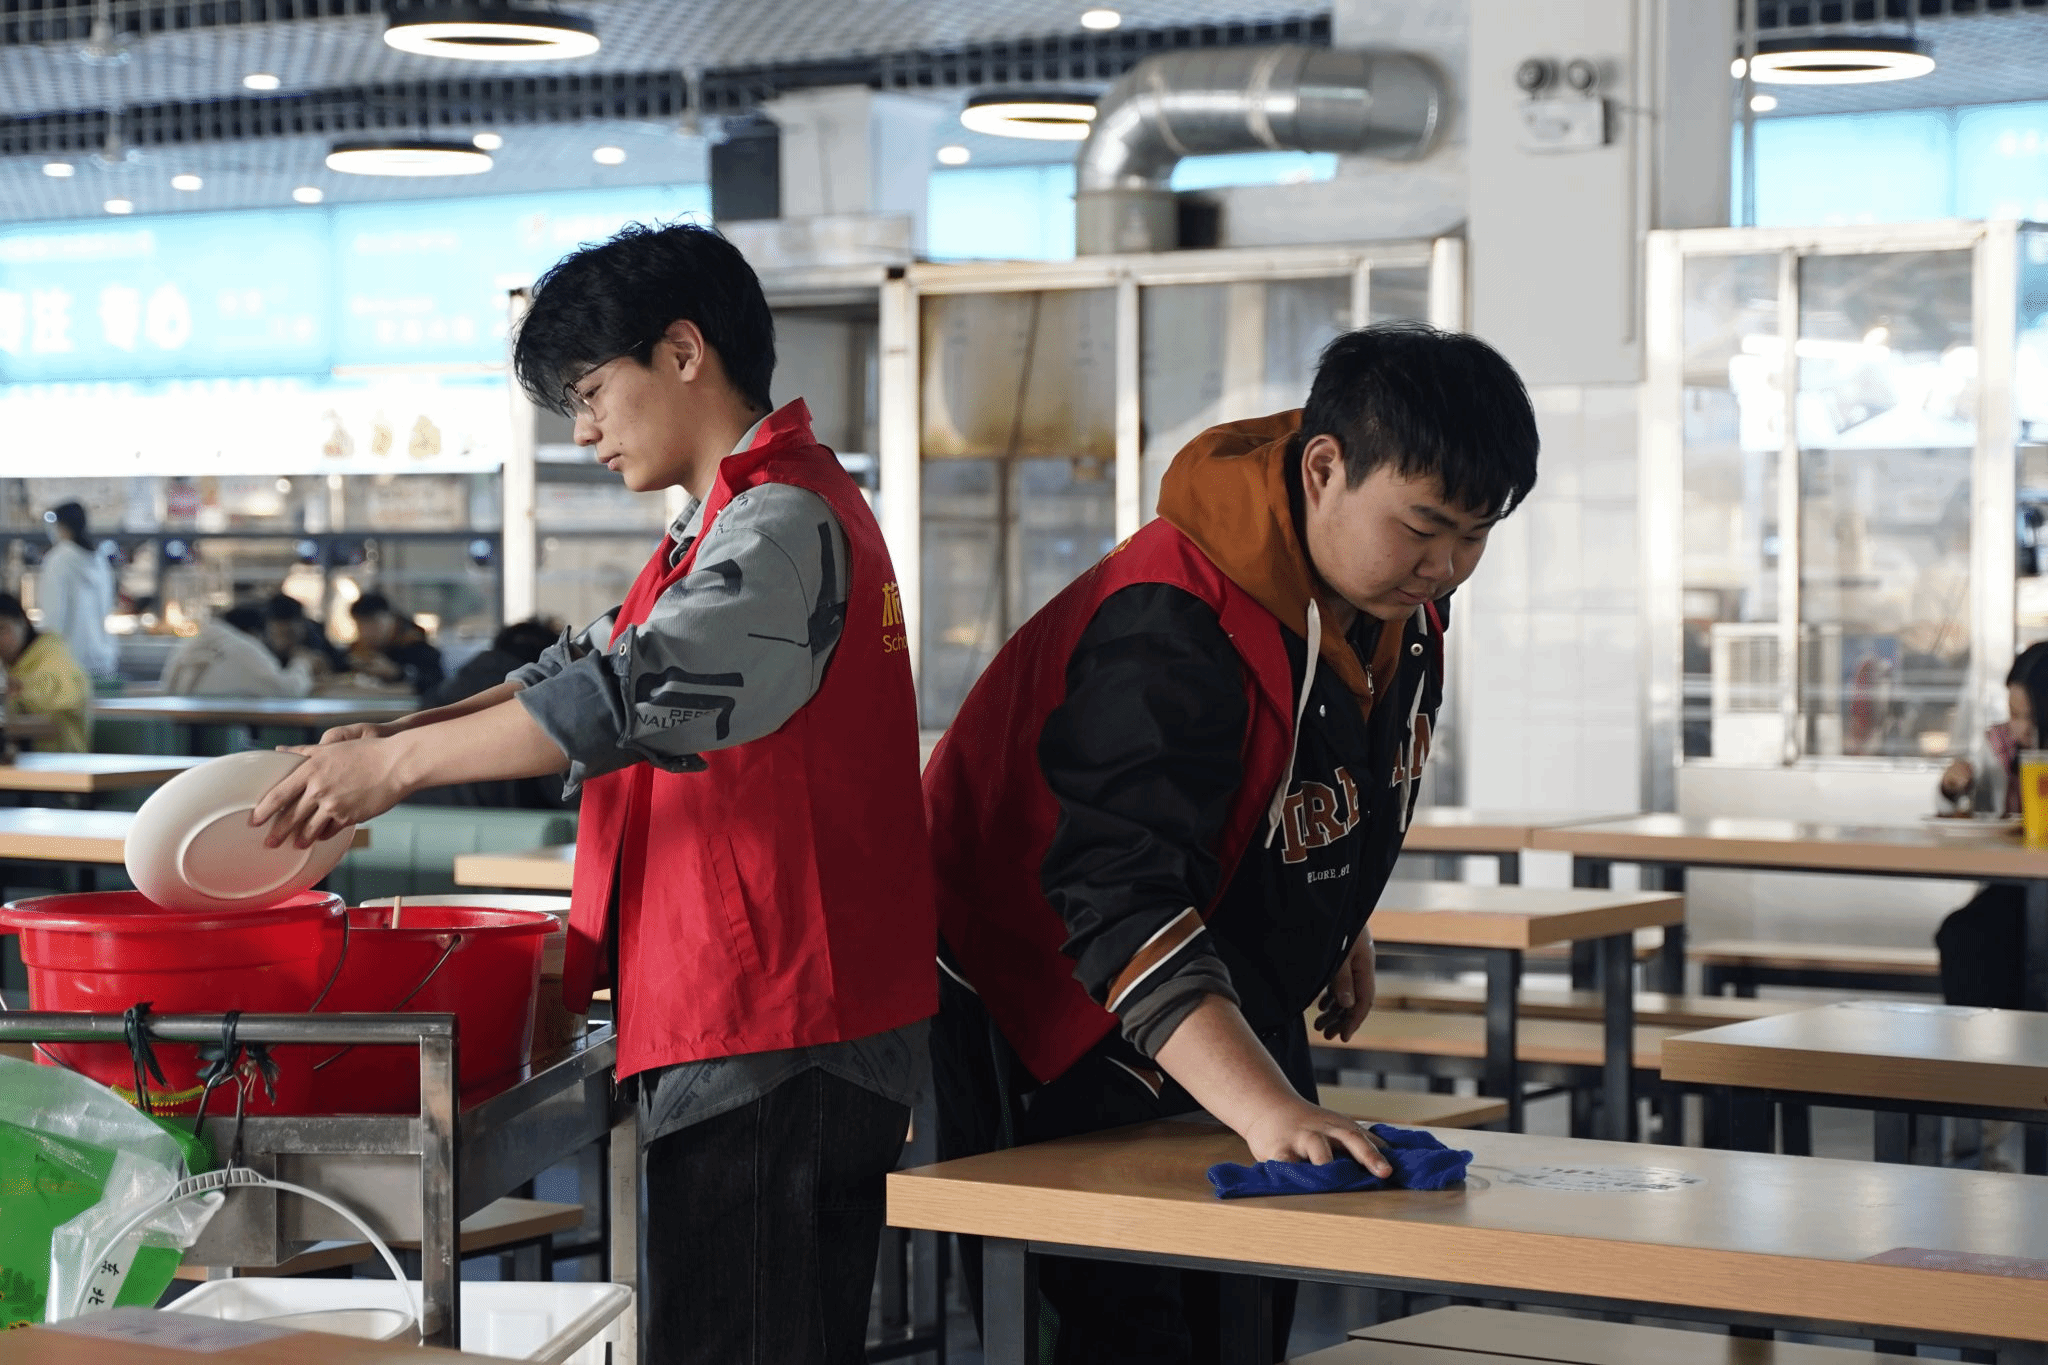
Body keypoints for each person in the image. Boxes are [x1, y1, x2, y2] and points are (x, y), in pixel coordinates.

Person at [250, 221, 934, 1365]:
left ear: (682, 351)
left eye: (589, 392)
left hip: (781, 1023)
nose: (582, 431)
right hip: (751, 1009)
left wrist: (395, 771)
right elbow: (578, 664)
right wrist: (394, 738)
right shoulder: (723, 526)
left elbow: (627, 691)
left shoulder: (780, 522)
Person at [923, 323, 1539, 1362]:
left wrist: (1327, 910)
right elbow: (1115, 896)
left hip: (1217, 995)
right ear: (1323, 468)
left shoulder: (1388, 596)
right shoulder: (1170, 623)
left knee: (1245, 1306)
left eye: (1474, 537)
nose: (1443, 568)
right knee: (1116, 1327)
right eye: (1424, 527)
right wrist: (1263, 1105)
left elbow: (1310, 769)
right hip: (1054, 1016)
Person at [1933, 641, 2048, 1009]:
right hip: (2011, 885)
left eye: (2030, 717)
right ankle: (1984, 1042)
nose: (2018, 728)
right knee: (1963, 935)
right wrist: (1954, 787)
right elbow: (1965, 810)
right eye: (2013, 714)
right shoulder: (1999, 746)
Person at [407, 618, 569, 809]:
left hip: (417, 820)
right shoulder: (544, 708)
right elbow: (565, 796)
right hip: (513, 824)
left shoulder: (440, 696)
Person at [0, 592, 93, 752]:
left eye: (2, 629)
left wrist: (22, 692)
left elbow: (68, 703)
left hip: (59, 759)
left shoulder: (54, 659)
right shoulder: (15, 666)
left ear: (24, 622)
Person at [160, 605, 317, 698]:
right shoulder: (241, 647)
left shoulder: (194, 641)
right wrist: (303, 662)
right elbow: (287, 691)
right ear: (254, 634)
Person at [39, 501, 117, 680]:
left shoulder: (58, 560)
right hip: (102, 659)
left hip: (69, 664)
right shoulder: (99, 560)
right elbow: (106, 606)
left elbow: (54, 616)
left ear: (61, 526)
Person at [346, 591, 445, 697]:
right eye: (360, 625)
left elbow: (435, 684)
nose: (365, 633)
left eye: (372, 623)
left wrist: (397, 673)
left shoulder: (418, 647)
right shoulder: (358, 649)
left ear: (390, 618)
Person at [262, 593, 345, 676]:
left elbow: (339, 663)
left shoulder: (315, 636)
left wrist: (323, 663)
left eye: (289, 635)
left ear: (303, 627)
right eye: (279, 635)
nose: (284, 641)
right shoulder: (261, 651)